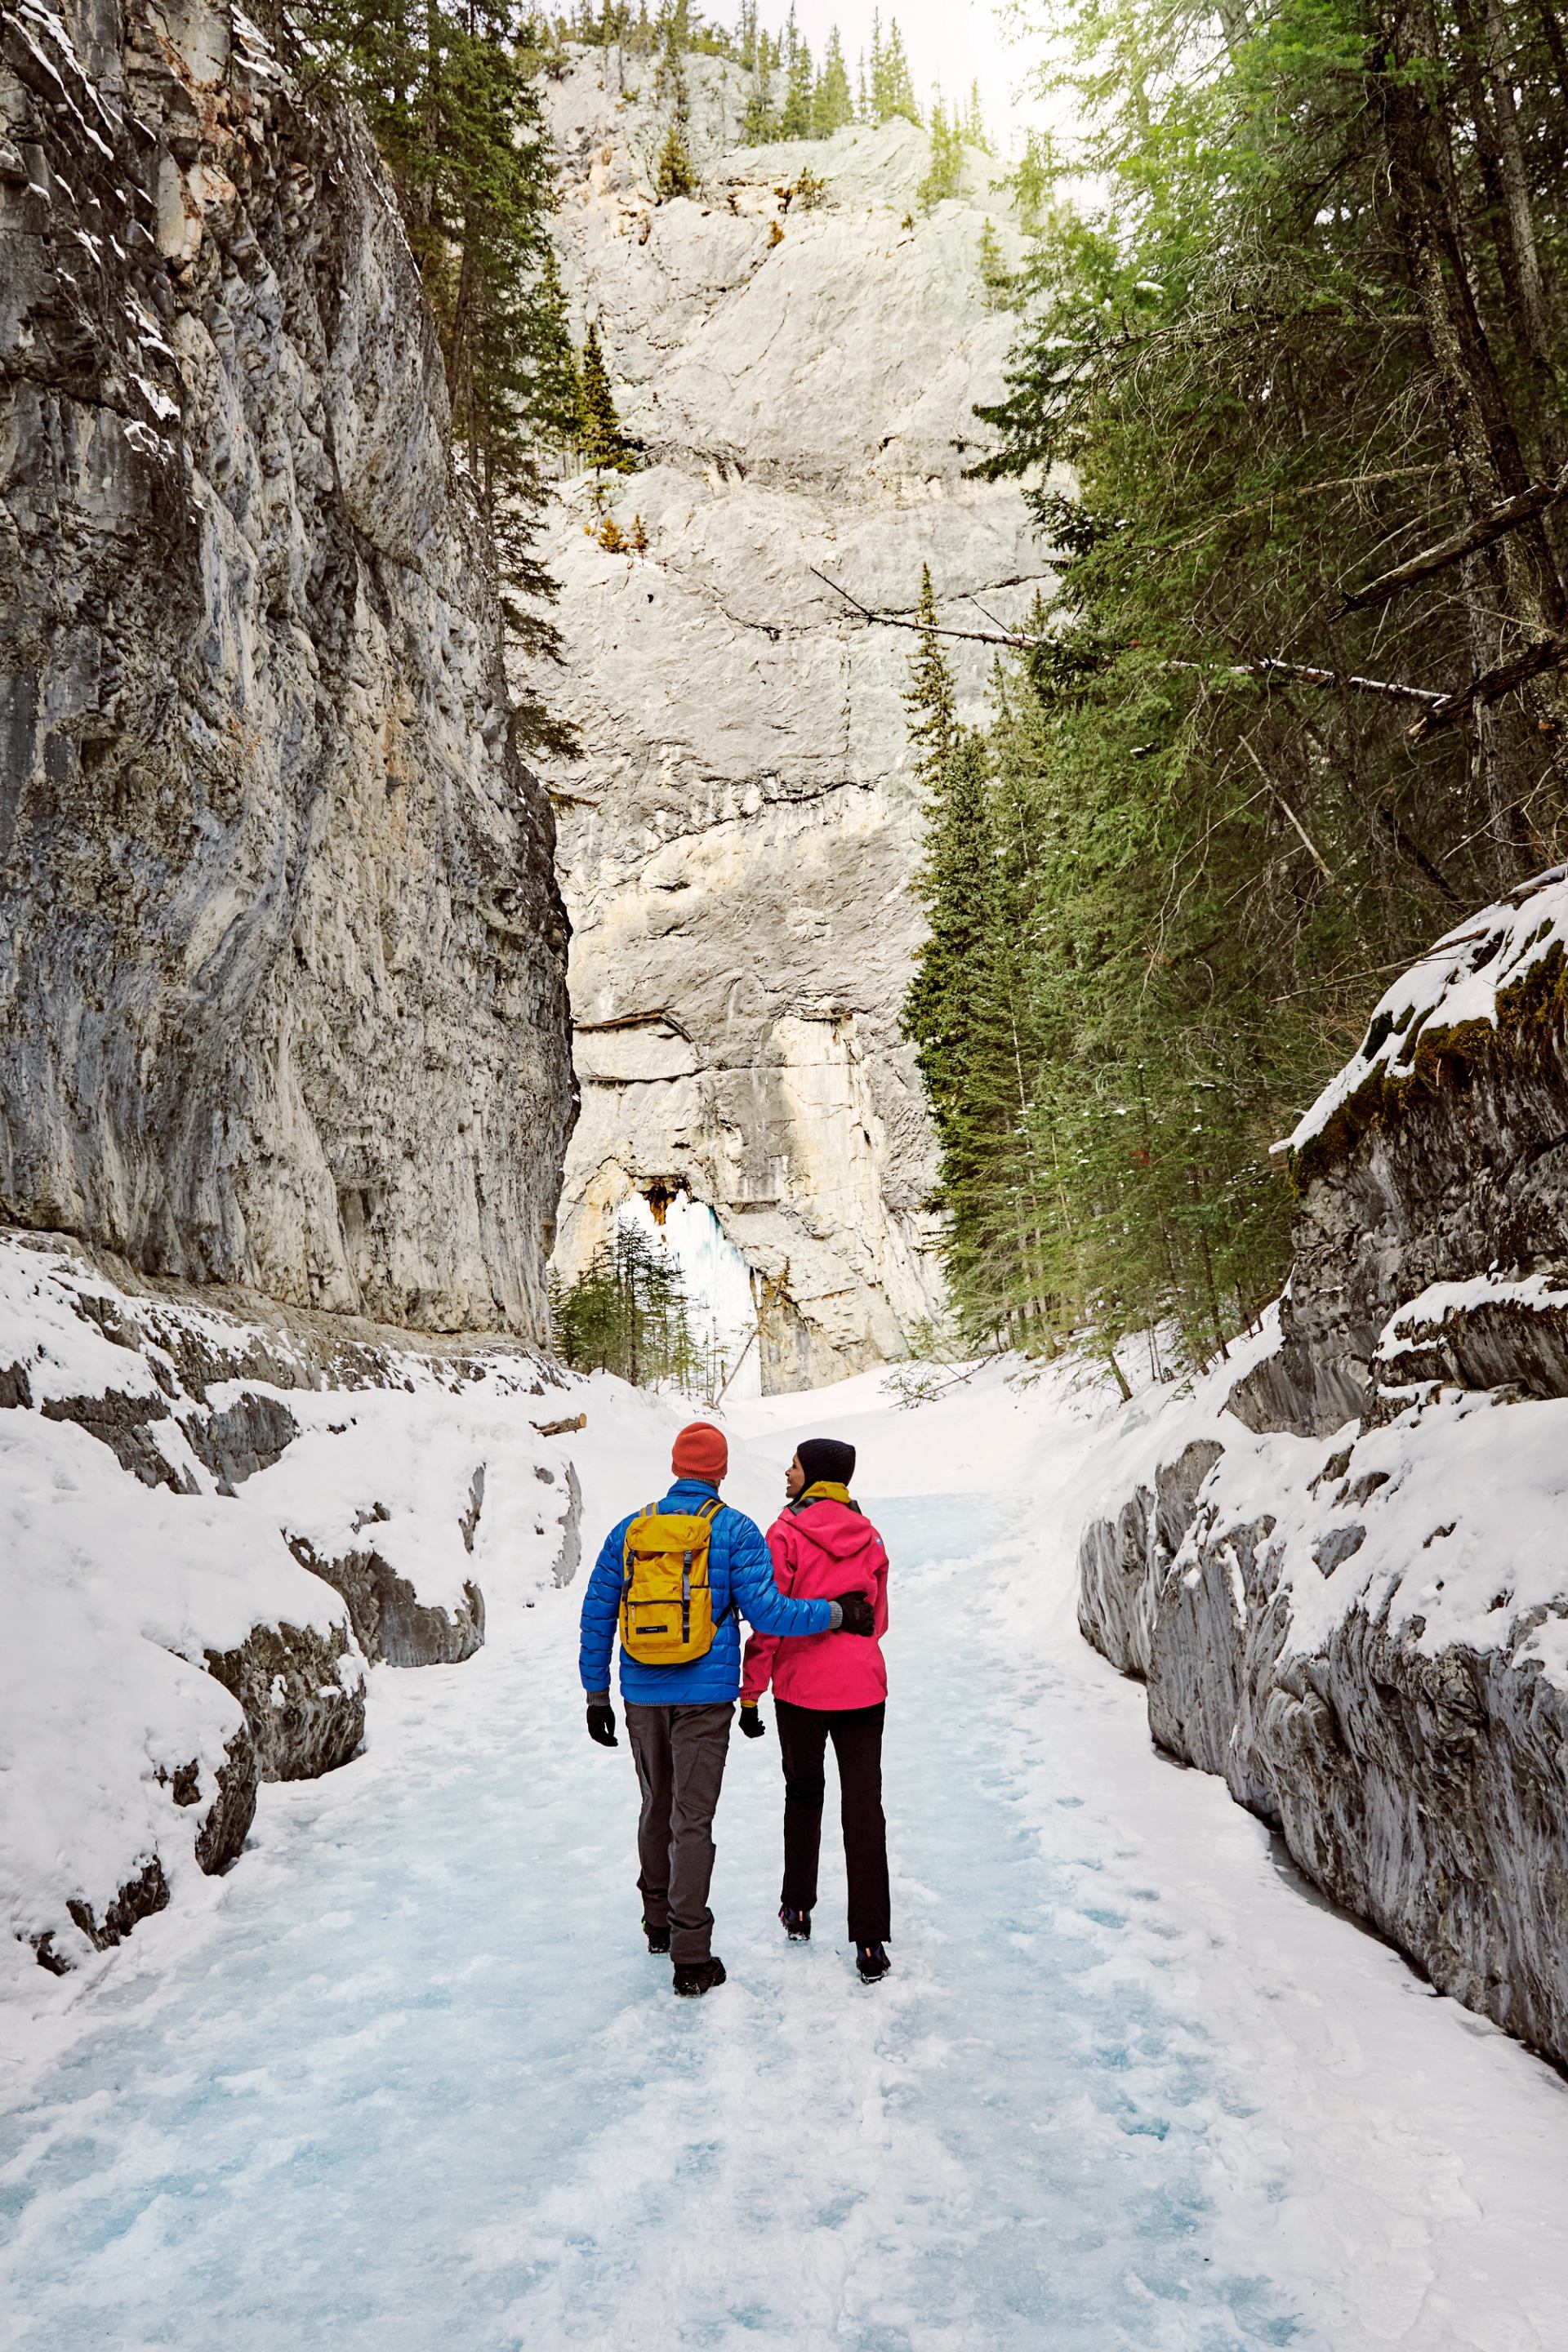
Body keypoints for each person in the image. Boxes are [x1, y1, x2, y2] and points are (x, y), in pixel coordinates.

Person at [579, 1419, 875, 1997]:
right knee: (692, 1820)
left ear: (675, 1468)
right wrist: (837, 1614)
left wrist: (596, 1693)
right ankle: (692, 1956)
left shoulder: (629, 1530)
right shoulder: (735, 1531)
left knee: (654, 1807)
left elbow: (596, 1613)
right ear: (719, 1472)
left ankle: (657, 1923)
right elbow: (770, 1615)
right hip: (706, 1696)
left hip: (640, 1691)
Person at [739, 1437, 893, 1983]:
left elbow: (770, 1619)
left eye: (795, 1464)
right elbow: (878, 1622)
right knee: (864, 1809)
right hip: (864, 1689)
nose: (787, 1471)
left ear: (815, 1474)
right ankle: (870, 1941)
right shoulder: (870, 1535)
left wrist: (751, 1690)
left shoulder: (783, 1533)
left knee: (803, 1794)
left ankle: (798, 1907)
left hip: (802, 1690)